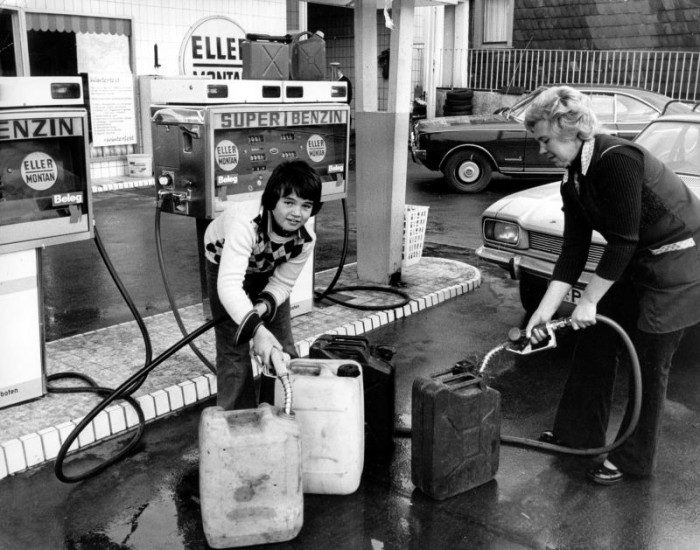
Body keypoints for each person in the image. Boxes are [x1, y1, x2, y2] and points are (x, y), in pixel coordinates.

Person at [522, 85, 700, 485]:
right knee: (595, 339)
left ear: (573, 129)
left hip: (680, 263)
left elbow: (622, 241)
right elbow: (574, 249)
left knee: (650, 360)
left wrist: (588, 301)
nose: (541, 149)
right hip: (638, 260)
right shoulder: (574, 178)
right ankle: (577, 434)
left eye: (545, 139)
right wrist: (544, 312)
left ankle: (633, 459)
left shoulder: (617, 159)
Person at [203, 159, 322, 410]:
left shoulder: (306, 239)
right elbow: (229, 286)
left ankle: (285, 410)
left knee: (281, 342)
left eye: (306, 205)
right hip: (224, 263)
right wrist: (256, 329)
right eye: (288, 202)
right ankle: (238, 421)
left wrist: (262, 308)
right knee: (233, 346)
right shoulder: (246, 223)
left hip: (266, 268)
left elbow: (283, 283)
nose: (297, 213)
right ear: (272, 200)